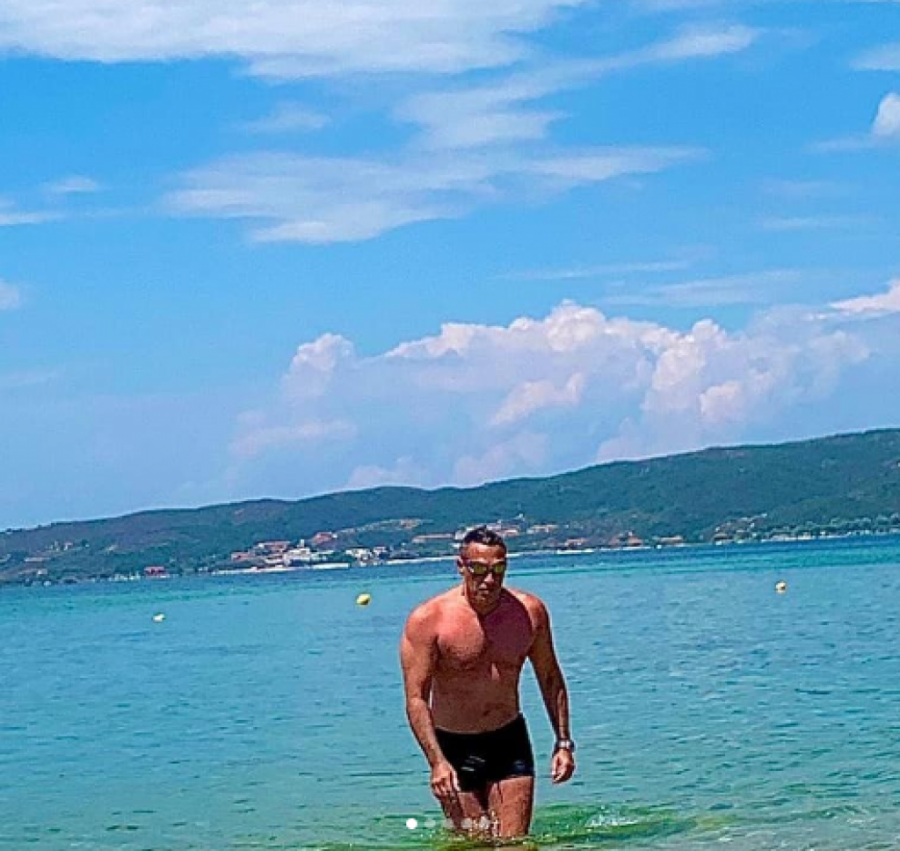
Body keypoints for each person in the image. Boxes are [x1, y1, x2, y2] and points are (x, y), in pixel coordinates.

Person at [400, 526, 575, 838]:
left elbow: (550, 677)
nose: (489, 579)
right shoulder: (429, 620)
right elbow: (416, 699)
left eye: (498, 569)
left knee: (513, 843)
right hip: (453, 745)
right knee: (475, 842)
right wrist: (437, 762)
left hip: (508, 739)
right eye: (479, 569)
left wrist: (563, 742)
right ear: (461, 567)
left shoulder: (529, 613)